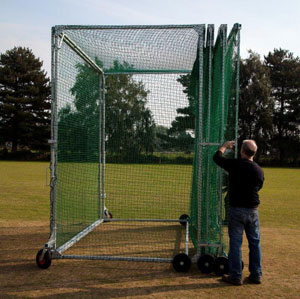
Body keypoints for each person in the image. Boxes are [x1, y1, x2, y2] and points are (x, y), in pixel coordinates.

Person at [213, 140, 264, 286]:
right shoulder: (259, 170)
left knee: (235, 244)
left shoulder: (235, 165)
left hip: (237, 210)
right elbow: (258, 186)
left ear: (242, 151)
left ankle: (235, 276)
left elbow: (217, 158)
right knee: (255, 243)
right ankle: (256, 275)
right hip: (253, 210)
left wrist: (224, 146)